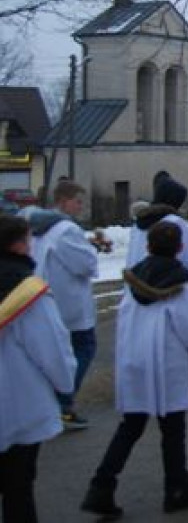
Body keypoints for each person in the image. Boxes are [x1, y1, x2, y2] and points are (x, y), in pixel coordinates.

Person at [81, 222, 188, 518]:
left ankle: (101, 486)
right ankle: (176, 488)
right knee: (173, 428)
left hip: (136, 358)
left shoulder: (134, 277)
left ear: (148, 246)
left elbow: (125, 319)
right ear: (180, 248)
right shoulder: (184, 284)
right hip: (168, 361)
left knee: (131, 426)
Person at [0, 215, 75, 523]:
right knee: (18, 488)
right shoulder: (27, 293)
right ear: (20, 244)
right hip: (18, 403)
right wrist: (64, 385)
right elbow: (53, 350)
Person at [27, 178, 99, 430]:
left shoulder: (40, 227)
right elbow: (84, 265)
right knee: (84, 349)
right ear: (63, 201)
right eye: (77, 202)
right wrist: (92, 253)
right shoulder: (66, 230)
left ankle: (51, 401)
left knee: (56, 352)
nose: (80, 207)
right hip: (69, 301)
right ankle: (63, 402)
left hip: (48, 296)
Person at [126, 173, 188, 272]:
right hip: (166, 282)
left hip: (137, 282)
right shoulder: (175, 222)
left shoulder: (138, 223)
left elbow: (131, 258)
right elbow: (187, 259)